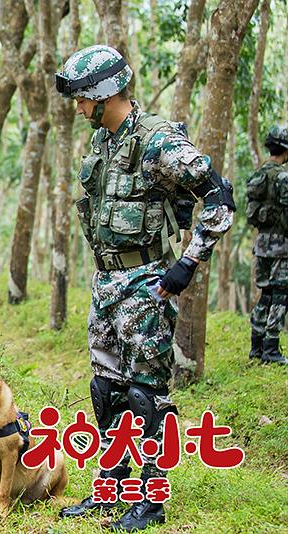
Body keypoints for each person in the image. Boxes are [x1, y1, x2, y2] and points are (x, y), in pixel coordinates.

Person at [54, 45, 234, 531]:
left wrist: (189, 264)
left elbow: (219, 199)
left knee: (146, 395)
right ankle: (112, 490)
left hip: (147, 283)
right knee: (106, 389)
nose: (78, 108)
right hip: (108, 280)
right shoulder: (105, 142)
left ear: (102, 94)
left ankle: (150, 502)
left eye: (81, 99)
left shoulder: (157, 141)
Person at [246, 125, 288, 365]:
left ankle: (256, 346)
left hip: (261, 244)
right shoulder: (283, 177)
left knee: (266, 294)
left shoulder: (259, 174)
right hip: (282, 246)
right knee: (281, 296)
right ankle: (271, 348)